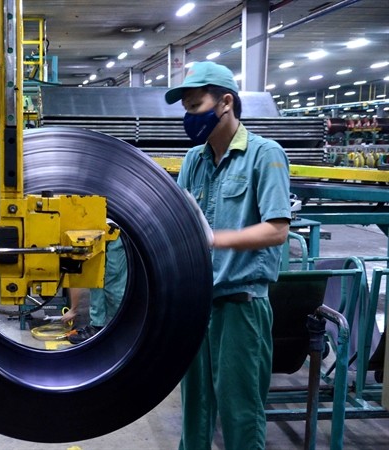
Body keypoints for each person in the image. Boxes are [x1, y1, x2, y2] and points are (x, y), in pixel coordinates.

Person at [165, 61, 291, 450]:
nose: (190, 115)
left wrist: (216, 240)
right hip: (199, 306)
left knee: (240, 411)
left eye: (196, 104)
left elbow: (277, 230)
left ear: (226, 102)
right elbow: (180, 223)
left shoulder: (264, 155)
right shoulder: (193, 160)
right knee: (196, 410)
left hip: (241, 307)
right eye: (186, 108)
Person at [61, 227, 127, 344]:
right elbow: (74, 272)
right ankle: (97, 326)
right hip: (94, 229)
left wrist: (74, 309)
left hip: (117, 231)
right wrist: (74, 309)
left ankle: (118, 326)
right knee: (95, 278)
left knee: (114, 281)